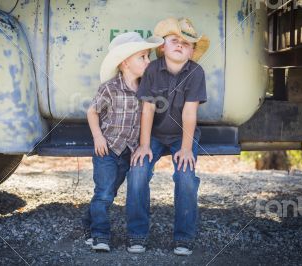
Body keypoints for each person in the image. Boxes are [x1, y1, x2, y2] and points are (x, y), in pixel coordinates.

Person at [125, 17, 210, 256]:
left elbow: (190, 113)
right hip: (153, 134)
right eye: (174, 40)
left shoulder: (195, 73)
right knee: (138, 170)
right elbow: (148, 108)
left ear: (192, 51)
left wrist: (185, 149)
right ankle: (137, 235)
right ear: (163, 46)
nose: (180, 45)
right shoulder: (152, 69)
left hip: (182, 136)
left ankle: (183, 238)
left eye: (186, 43)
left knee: (185, 176)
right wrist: (143, 144)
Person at [82, 32, 164, 252]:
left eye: (148, 57)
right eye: (143, 57)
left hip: (129, 151)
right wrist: (98, 137)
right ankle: (100, 235)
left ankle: (88, 223)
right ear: (125, 62)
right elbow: (92, 112)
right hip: (107, 150)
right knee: (105, 192)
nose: (149, 61)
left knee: (111, 191)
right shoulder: (109, 88)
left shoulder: (145, 89)